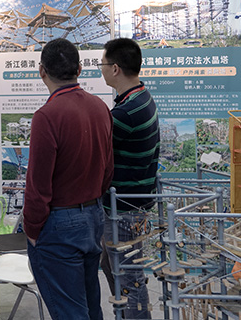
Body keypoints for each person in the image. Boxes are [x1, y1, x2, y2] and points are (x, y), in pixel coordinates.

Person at [23, 38, 113, 320]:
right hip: (93, 216)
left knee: (70, 311)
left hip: (59, 224)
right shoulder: (100, 107)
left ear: (42, 71)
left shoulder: (47, 116)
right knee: (90, 305)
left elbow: (38, 185)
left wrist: (32, 230)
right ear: (80, 69)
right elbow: (108, 169)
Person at [98, 38, 160, 320]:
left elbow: (96, 149)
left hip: (123, 209)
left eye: (102, 63)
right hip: (133, 205)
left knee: (129, 280)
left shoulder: (126, 113)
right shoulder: (140, 98)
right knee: (120, 273)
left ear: (115, 68)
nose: (100, 68)